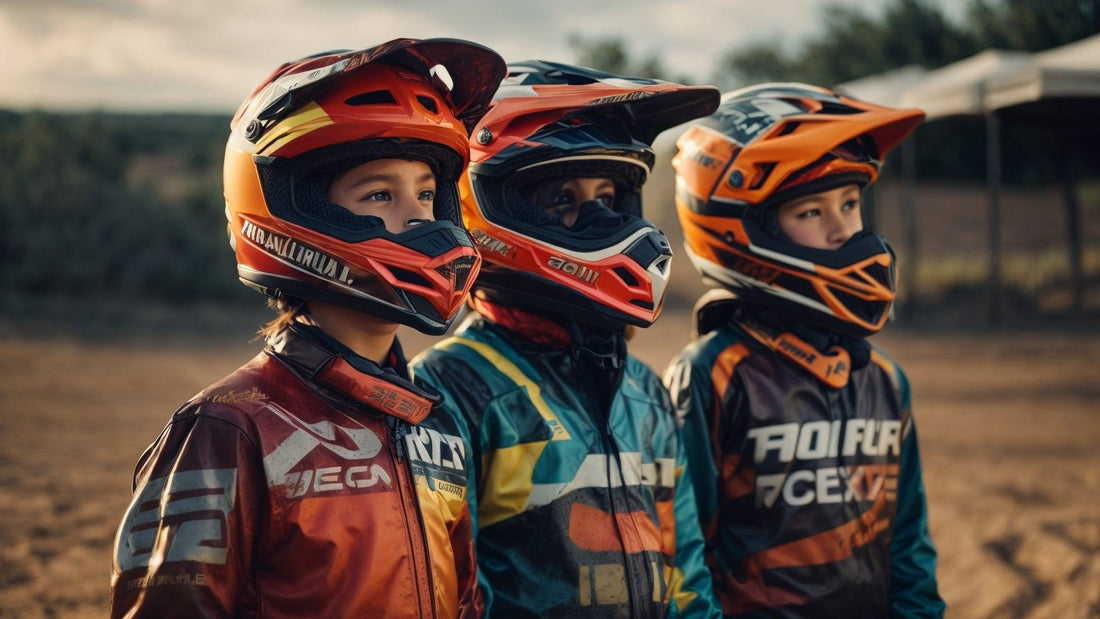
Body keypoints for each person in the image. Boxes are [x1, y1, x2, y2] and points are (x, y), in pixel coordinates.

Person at [109, 38, 506, 617]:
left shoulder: (434, 418)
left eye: (426, 192)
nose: (419, 217)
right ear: (295, 210)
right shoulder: (230, 428)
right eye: (379, 193)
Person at [410, 60, 723, 617]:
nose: (602, 219)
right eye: (563, 200)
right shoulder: (449, 388)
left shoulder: (643, 388)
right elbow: (442, 593)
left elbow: (688, 576)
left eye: (608, 196)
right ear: (491, 204)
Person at [663, 83, 946, 617]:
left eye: (851, 202)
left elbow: (908, 545)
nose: (845, 229)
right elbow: (681, 555)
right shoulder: (713, 376)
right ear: (742, 232)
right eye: (812, 213)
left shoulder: (883, 379)